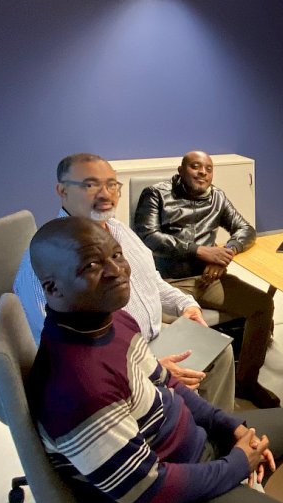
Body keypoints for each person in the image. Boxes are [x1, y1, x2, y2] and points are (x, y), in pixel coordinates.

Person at [27, 216, 283, 503]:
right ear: (52, 288)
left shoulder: (113, 319)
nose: (117, 270)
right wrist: (237, 465)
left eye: (116, 254)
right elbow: (149, 489)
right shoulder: (77, 388)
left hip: (189, 447)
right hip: (165, 487)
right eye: (92, 265)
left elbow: (167, 382)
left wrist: (229, 425)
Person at [14, 153, 237, 411]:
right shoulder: (46, 259)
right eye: (90, 185)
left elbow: (152, 281)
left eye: (111, 184)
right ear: (62, 191)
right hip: (113, 367)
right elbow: (61, 352)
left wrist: (185, 305)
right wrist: (148, 369)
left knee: (220, 353)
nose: (105, 194)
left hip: (153, 341)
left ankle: (216, 431)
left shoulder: (120, 231)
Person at [134, 151, 279, 409]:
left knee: (262, 304)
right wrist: (198, 250)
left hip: (207, 279)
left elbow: (246, 229)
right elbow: (148, 236)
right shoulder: (156, 194)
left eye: (209, 169)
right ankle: (176, 395)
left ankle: (247, 382)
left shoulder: (217, 197)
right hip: (167, 283)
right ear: (181, 170)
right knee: (168, 329)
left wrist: (224, 254)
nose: (203, 172)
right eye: (196, 166)